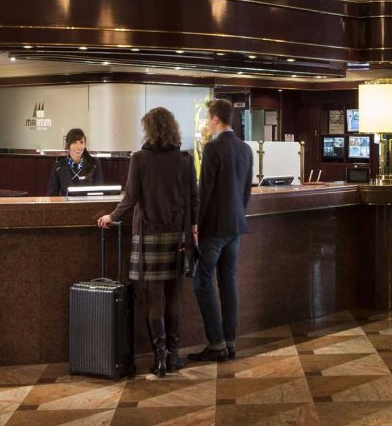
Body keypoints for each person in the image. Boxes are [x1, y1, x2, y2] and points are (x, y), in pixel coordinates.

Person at [96, 108, 197, 378]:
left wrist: (111, 216)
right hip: (177, 235)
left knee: (153, 298)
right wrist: (193, 228)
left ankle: (160, 358)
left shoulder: (139, 159)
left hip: (148, 236)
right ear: (173, 128)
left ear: (149, 129)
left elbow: (130, 198)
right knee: (174, 296)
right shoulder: (185, 159)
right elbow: (193, 199)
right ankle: (174, 355)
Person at [188, 99, 252, 363]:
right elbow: (246, 191)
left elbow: (205, 191)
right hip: (236, 226)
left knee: (202, 280)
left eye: (208, 119)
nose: (206, 124)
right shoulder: (245, 149)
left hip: (213, 228)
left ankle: (216, 344)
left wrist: (196, 224)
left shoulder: (213, 149)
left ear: (215, 120)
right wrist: (238, 214)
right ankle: (230, 342)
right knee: (227, 282)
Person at [47, 128, 102, 195]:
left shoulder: (94, 164)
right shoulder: (59, 166)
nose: (78, 147)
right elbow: (52, 195)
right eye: (74, 142)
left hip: (88, 204)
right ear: (68, 145)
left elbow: (100, 193)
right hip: (66, 205)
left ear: (85, 145)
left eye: (81, 142)